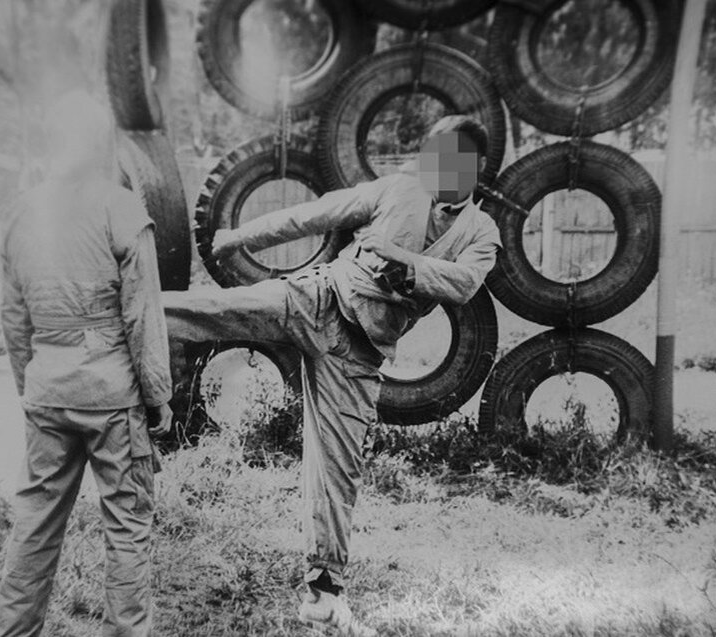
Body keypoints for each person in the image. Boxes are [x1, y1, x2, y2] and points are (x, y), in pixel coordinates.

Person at [163, 115, 502, 636]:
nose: (444, 166)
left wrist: (404, 262)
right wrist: (237, 237)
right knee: (214, 309)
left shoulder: (481, 231)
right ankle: (122, 318)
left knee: (339, 469)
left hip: (360, 353)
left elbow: (463, 283)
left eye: (458, 157)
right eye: (438, 153)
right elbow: (314, 214)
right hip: (318, 300)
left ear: (476, 167)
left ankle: (323, 594)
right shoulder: (396, 189)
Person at [0, 90, 172, 637]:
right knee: (126, 524)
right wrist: (157, 394)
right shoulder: (120, 208)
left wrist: (33, 382)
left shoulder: (21, 212)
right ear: (101, 146)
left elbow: (12, 316)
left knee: (35, 523)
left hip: (47, 388)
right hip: (112, 396)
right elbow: (143, 314)